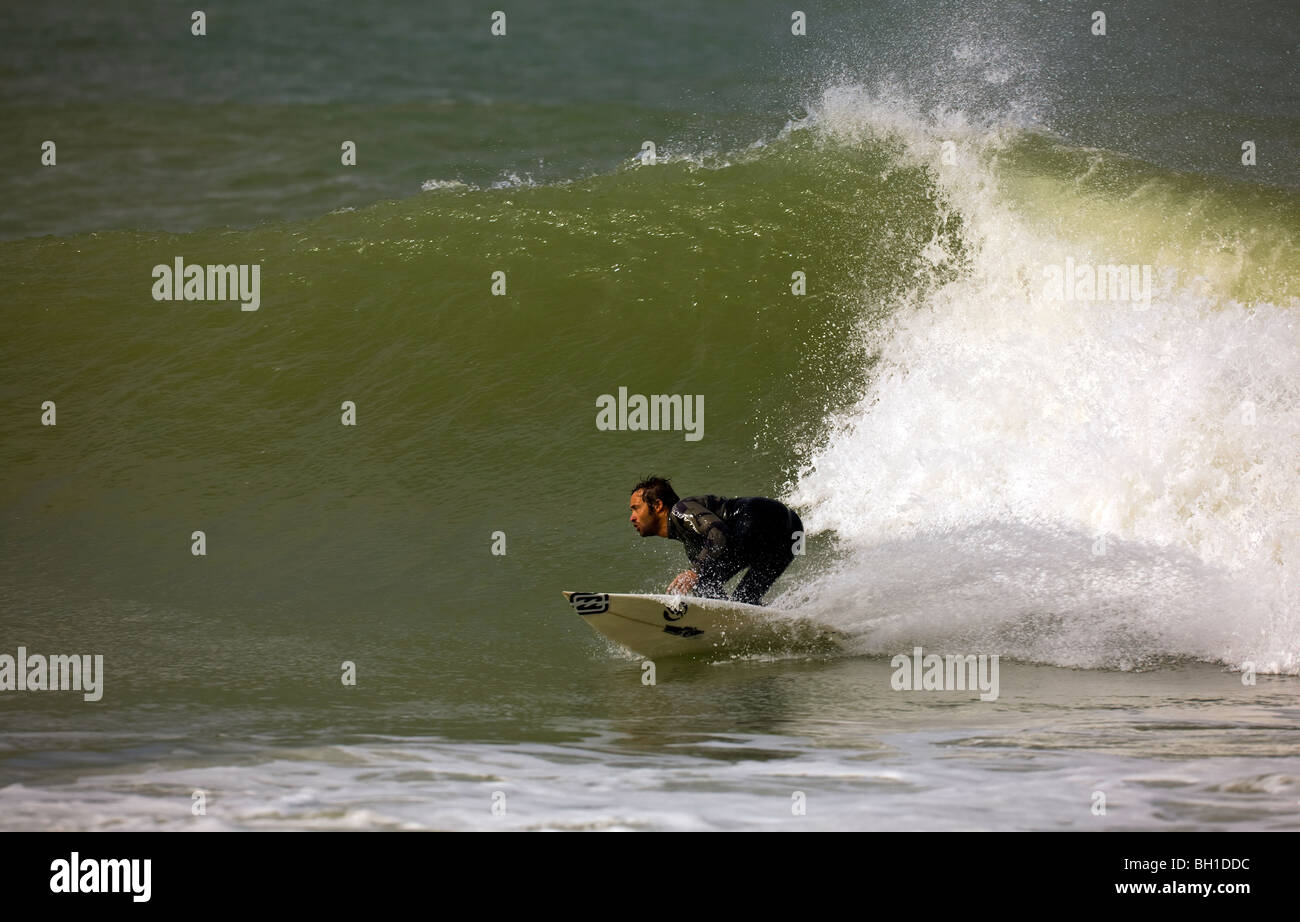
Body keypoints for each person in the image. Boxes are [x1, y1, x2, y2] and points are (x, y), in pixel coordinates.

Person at [628, 476, 803, 605]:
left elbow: (718, 533)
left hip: (758, 517)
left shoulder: (680, 511)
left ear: (657, 505)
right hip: (792, 530)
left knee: (702, 581)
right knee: (744, 603)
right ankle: (780, 622)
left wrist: (693, 572)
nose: (632, 518)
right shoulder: (692, 541)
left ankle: (724, 619)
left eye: (636, 509)